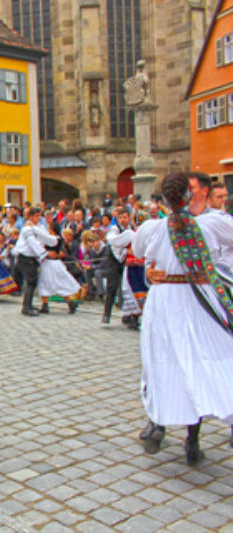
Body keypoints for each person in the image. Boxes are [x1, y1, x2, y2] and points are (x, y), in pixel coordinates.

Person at [134, 172, 233, 465]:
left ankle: (158, 423)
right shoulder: (214, 225)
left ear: (163, 200)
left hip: (166, 299)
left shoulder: (153, 228)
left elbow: (139, 252)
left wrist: (152, 268)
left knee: (163, 362)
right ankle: (190, 438)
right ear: (189, 197)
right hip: (198, 296)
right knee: (202, 362)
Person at [13, 208, 58, 317]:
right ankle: (26, 307)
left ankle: (28, 304)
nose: (39, 218)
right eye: (37, 216)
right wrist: (45, 253)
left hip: (31, 258)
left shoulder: (37, 227)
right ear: (31, 216)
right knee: (31, 282)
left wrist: (54, 240)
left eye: (39, 216)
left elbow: (45, 237)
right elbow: (32, 243)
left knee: (33, 282)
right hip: (25, 258)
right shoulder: (27, 228)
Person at [37, 222, 80, 314]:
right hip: (51, 263)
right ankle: (45, 304)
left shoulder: (52, 239)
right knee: (45, 283)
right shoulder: (59, 238)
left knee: (54, 283)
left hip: (51, 263)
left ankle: (69, 302)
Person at [101, 208, 135, 324]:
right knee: (112, 286)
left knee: (128, 288)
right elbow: (114, 242)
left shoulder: (132, 229)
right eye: (120, 218)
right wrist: (126, 250)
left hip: (127, 262)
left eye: (125, 217)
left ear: (129, 218)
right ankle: (107, 314)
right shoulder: (114, 230)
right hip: (114, 261)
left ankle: (128, 314)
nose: (123, 220)